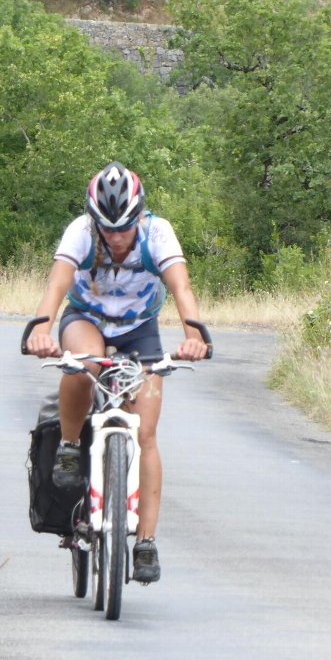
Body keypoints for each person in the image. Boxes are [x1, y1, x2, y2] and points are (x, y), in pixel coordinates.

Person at [25, 161, 208, 583]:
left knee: (144, 433)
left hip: (138, 328)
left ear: (140, 215)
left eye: (125, 227)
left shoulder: (158, 233)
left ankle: (145, 542)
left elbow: (181, 287)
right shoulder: (81, 232)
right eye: (108, 228)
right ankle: (70, 444)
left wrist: (194, 334)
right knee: (83, 363)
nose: (117, 236)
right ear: (94, 220)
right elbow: (56, 285)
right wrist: (40, 329)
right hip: (86, 319)